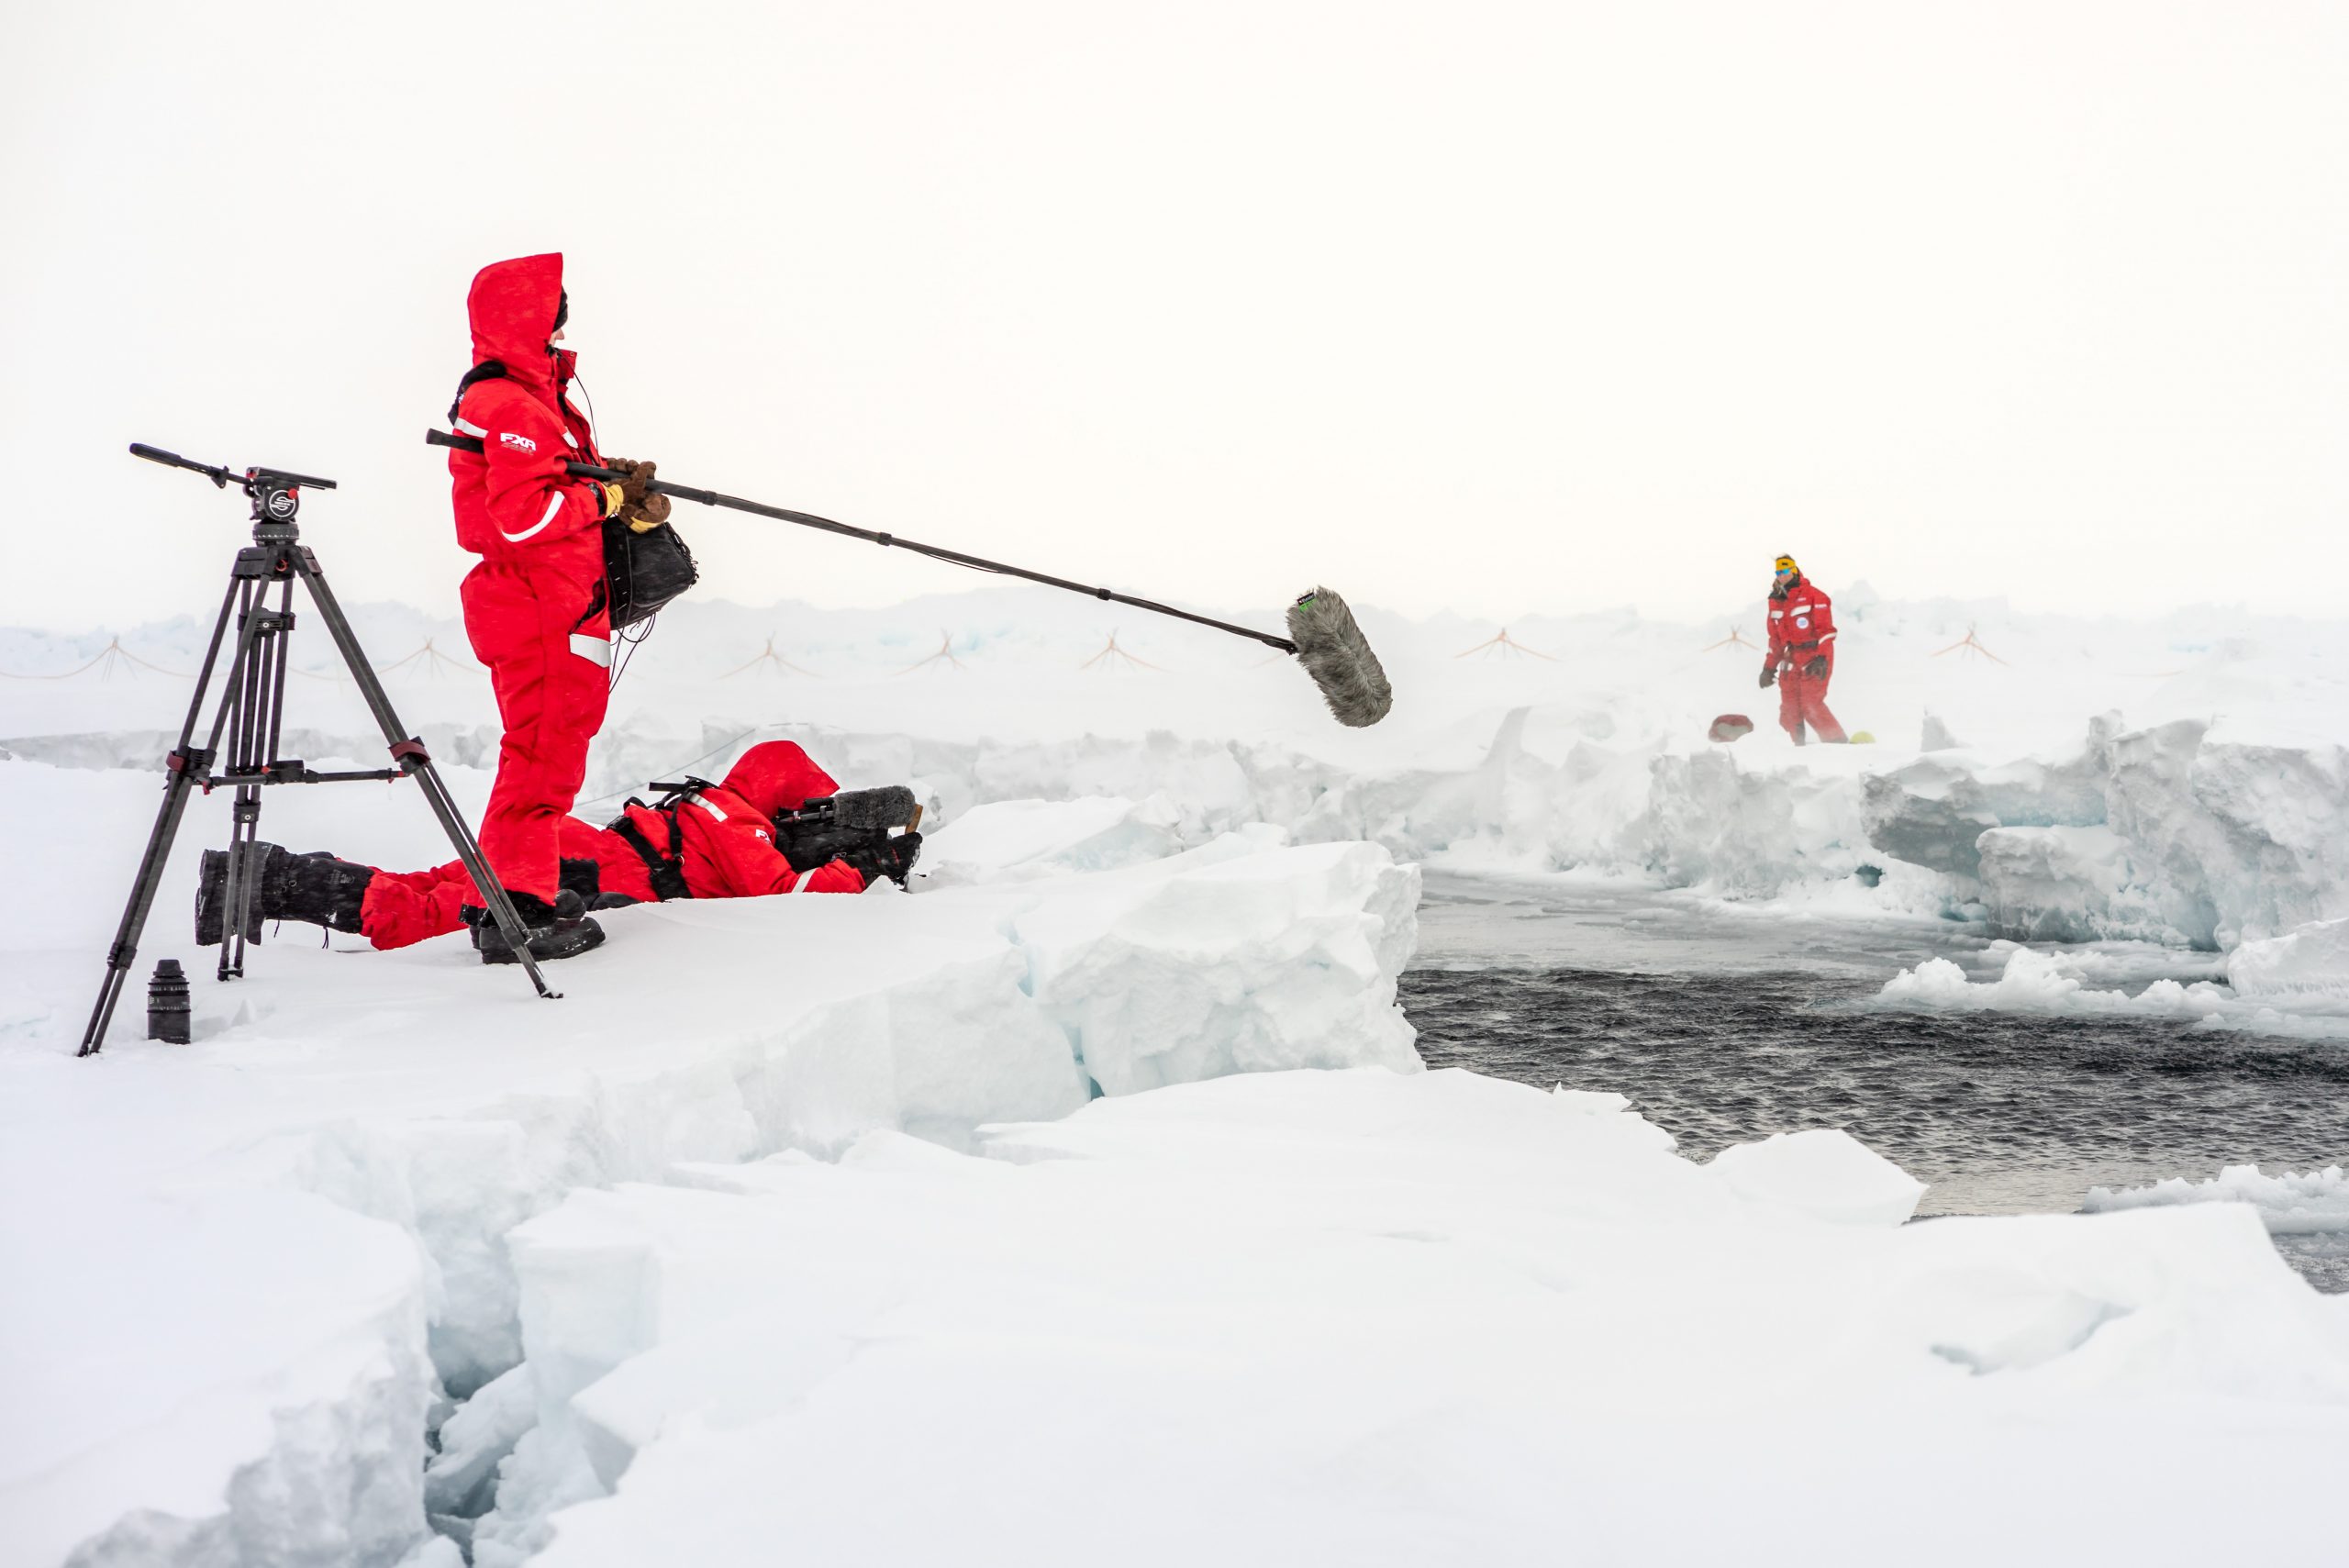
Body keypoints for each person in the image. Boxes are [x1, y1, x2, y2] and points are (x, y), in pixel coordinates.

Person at [446, 253, 671, 964]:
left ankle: (510, 893)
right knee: (540, 760)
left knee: (548, 754)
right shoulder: (512, 405)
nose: (564, 313)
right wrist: (602, 498)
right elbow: (522, 517)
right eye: (554, 303)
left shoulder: (535, 398)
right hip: (538, 608)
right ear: (528, 315)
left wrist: (610, 494)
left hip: (562, 605)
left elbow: (550, 491)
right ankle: (519, 911)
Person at [194, 742, 922, 955]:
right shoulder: (739, 823)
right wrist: (859, 867)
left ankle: (261, 874)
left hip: (573, 846)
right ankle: (270, 884)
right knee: (431, 909)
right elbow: (781, 899)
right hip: (583, 866)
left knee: (431, 886)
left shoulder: (711, 804)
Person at [1758, 553, 1847, 745]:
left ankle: (1838, 744)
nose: (1782, 575)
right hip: (1790, 658)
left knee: (1811, 704)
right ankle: (1797, 750)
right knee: (1789, 709)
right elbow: (1775, 640)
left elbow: (1826, 631)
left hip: (1814, 656)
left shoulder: (1815, 596)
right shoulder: (1775, 600)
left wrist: (1822, 657)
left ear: (1794, 570)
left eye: (1785, 570)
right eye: (1778, 572)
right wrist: (1769, 668)